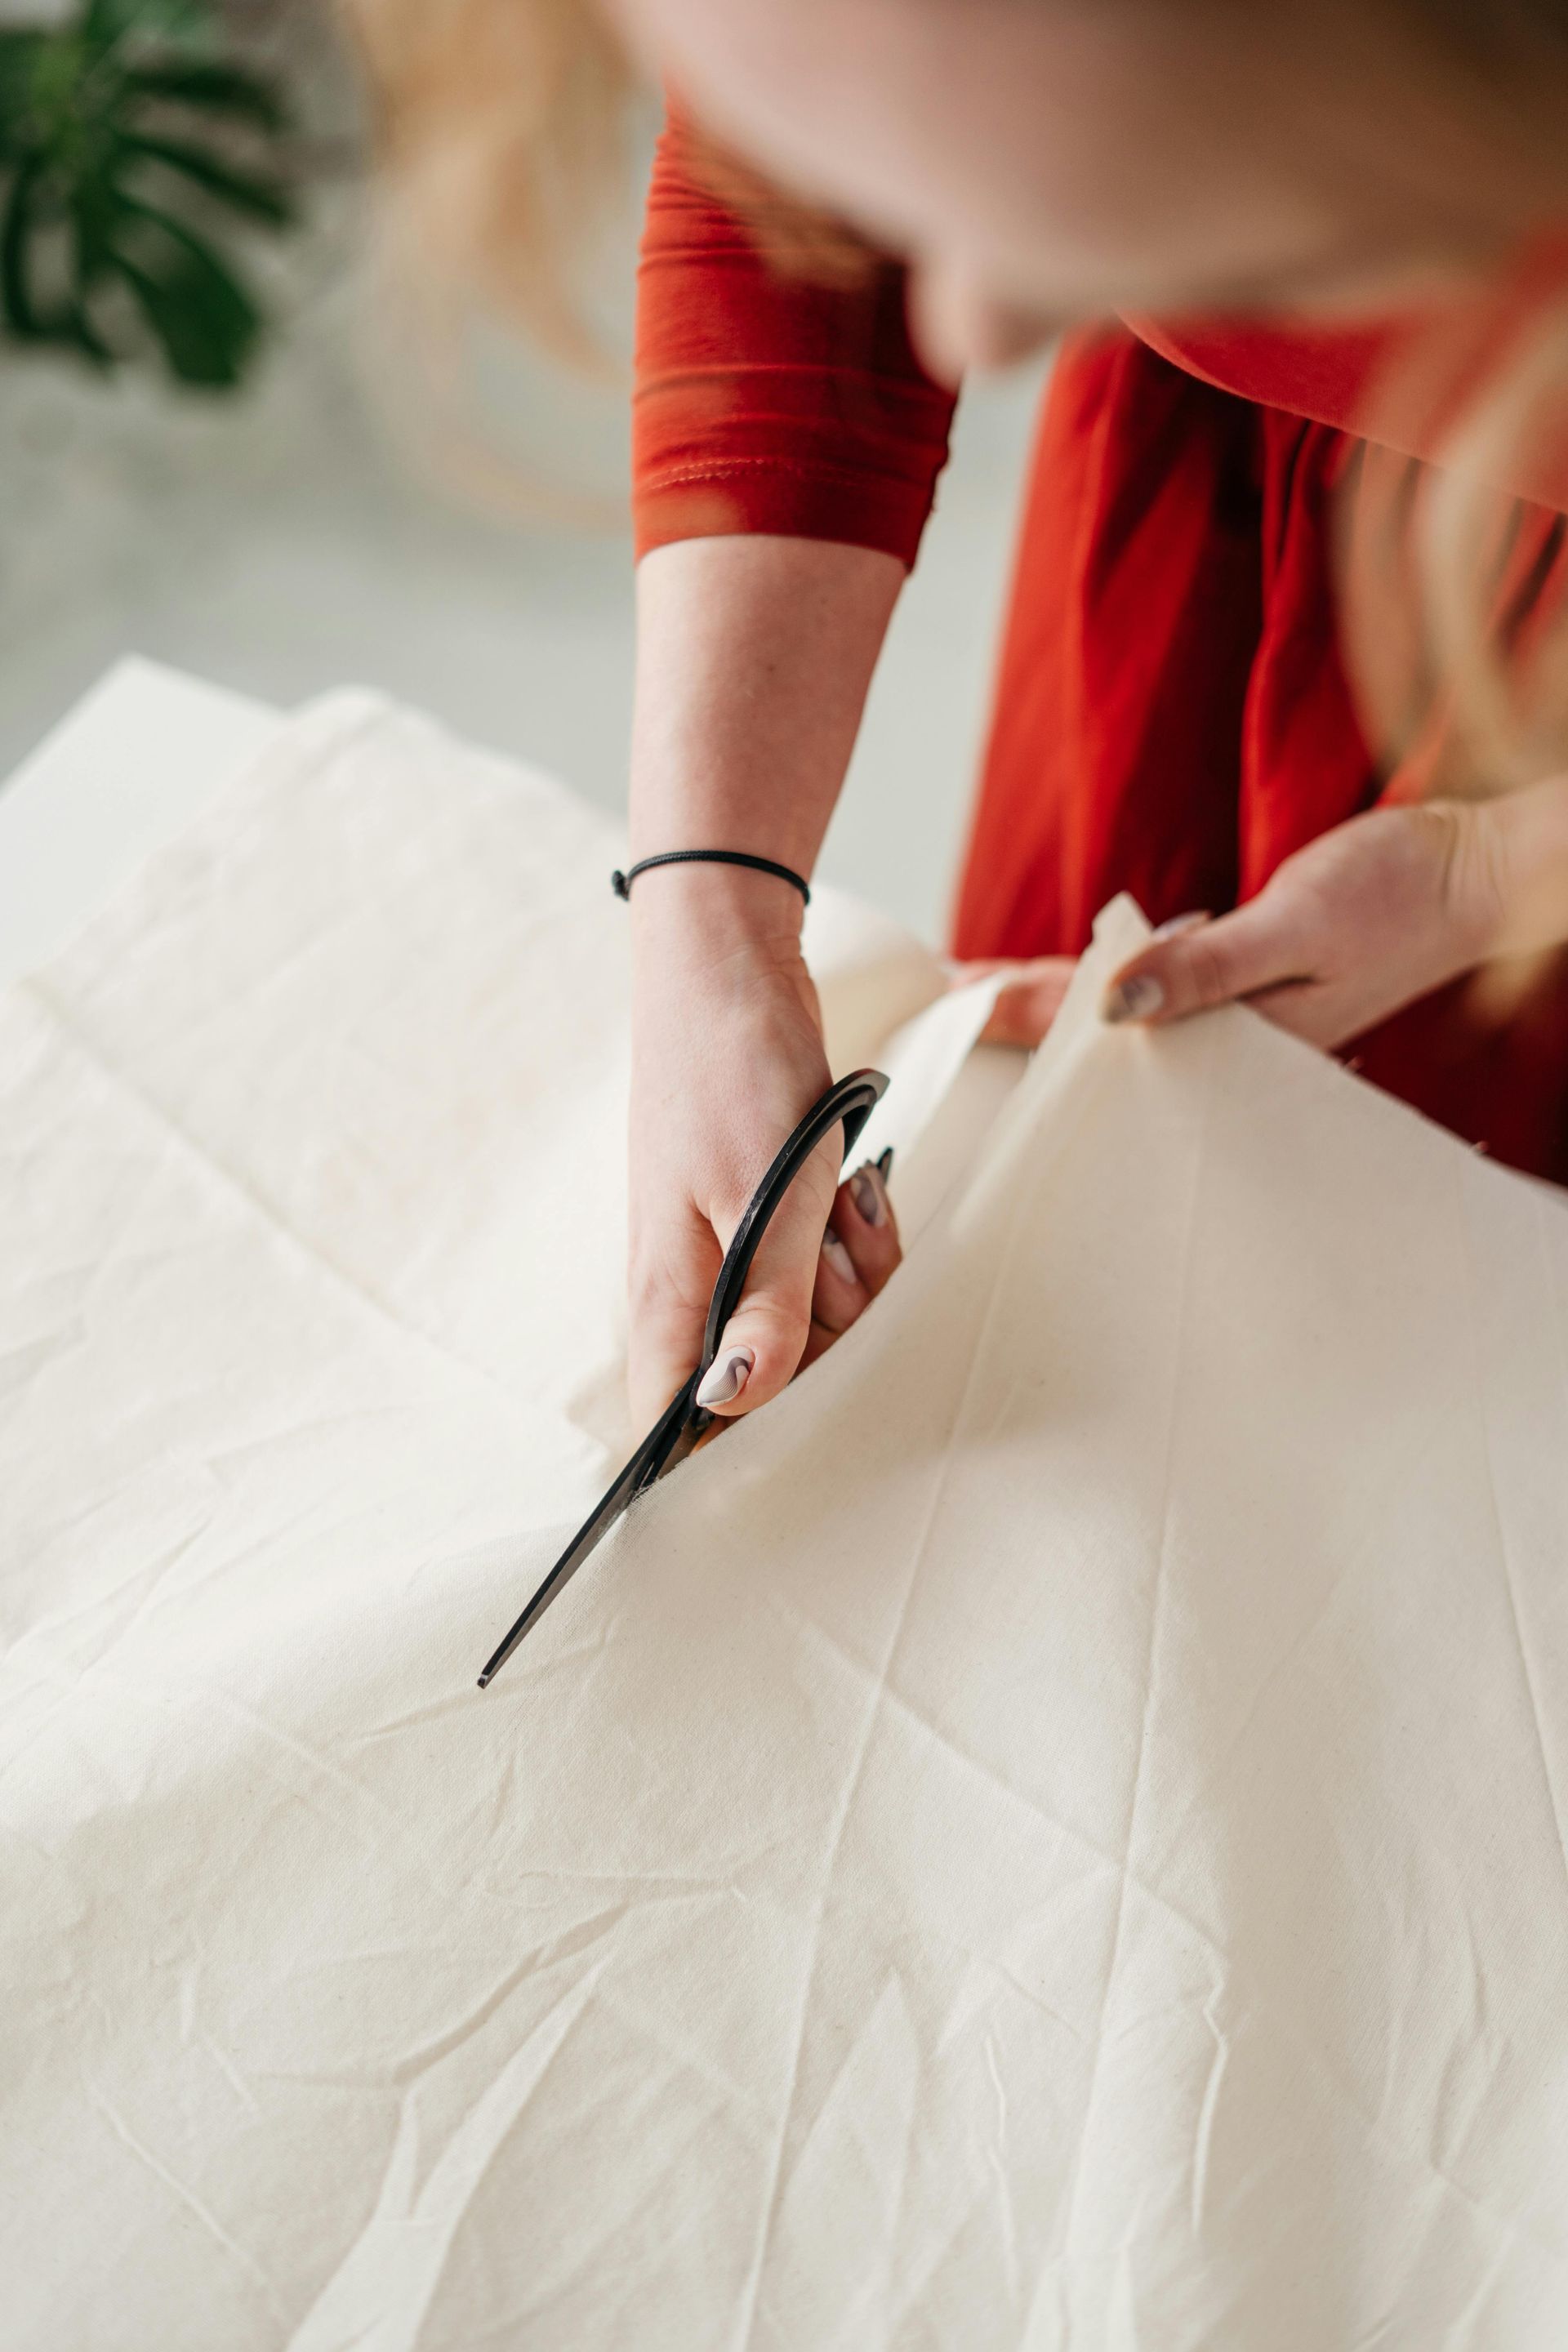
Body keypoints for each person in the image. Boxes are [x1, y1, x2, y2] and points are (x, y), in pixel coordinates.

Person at [351, 0, 1568, 1423]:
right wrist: (712, 913)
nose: (968, 322)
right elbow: (807, 171)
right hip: (1208, 535)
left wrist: (1501, 873)